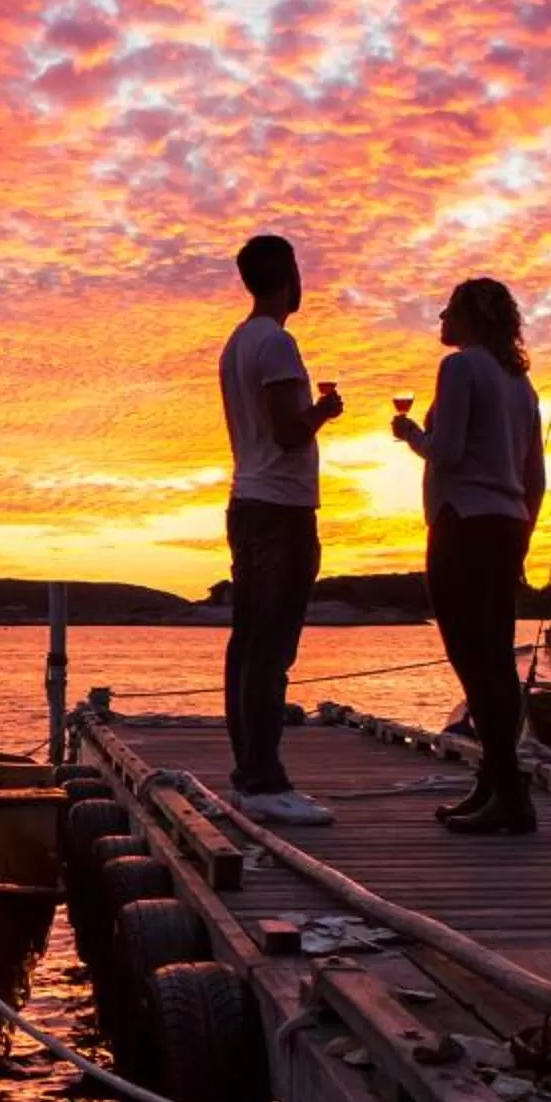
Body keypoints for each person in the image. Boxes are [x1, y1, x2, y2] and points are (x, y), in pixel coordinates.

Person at [392, 276, 548, 835]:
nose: (440, 319)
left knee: (471, 659)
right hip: (506, 525)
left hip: (462, 523)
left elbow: (450, 452)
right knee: (496, 659)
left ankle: (509, 795)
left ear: (471, 317)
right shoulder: (519, 384)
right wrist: (520, 537)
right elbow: (535, 478)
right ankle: (493, 785)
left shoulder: (461, 368)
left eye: (448, 311)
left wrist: (413, 435)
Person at [219, 234, 341, 826]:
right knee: (270, 648)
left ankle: (249, 775)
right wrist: (325, 412)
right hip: (280, 509)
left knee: (247, 643)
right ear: (289, 274)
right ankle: (264, 781)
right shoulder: (277, 343)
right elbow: (288, 431)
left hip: (247, 501)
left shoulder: (238, 343)